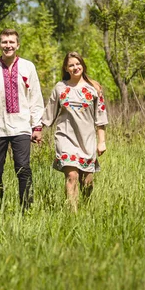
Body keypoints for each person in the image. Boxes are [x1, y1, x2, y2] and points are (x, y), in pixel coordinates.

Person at [0, 28, 44, 211]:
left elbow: (35, 97)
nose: (8, 45)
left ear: (18, 45)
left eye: (11, 42)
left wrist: (37, 125)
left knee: (23, 169)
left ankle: (26, 211)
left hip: (21, 126)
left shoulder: (28, 67)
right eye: (4, 42)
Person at [42, 52, 108, 211]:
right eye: (71, 65)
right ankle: (73, 214)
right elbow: (49, 112)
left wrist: (102, 141)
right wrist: (38, 130)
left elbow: (100, 116)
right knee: (72, 176)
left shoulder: (94, 88)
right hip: (66, 137)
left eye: (77, 64)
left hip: (87, 140)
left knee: (87, 182)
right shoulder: (60, 87)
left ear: (83, 65)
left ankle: (86, 209)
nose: (75, 67)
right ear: (66, 68)